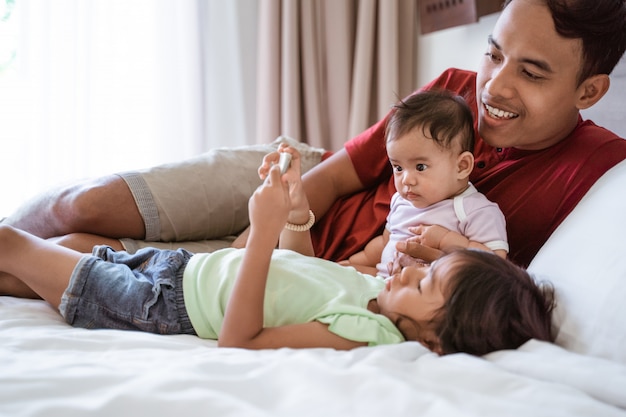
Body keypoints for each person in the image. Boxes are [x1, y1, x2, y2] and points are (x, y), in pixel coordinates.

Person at [3, 0, 626, 271]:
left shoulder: (600, 169)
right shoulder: (455, 86)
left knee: (66, 255)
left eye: (532, 72)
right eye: (495, 54)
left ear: (590, 91)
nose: (495, 86)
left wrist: (262, 262)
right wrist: (258, 234)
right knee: (77, 206)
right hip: (296, 181)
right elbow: (341, 173)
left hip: (308, 267)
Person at [0, 147, 555, 355]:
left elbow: (241, 339)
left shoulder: (366, 330)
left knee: (11, 245)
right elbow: (301, 271)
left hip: (161, 303)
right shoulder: (376, 292)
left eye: (426, 285)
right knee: (55, 252)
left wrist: (260, 232)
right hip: (184, 272)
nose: (410, 274)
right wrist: (292, 212)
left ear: (437, 340)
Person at [340, 90, 508, 277]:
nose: (406, 180)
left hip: (423, 296)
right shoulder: (401, 202)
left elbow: (496, 265)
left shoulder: (475, 210)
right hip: (383, 280)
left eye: (420, 167)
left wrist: (446, 240)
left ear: (462, 166)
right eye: (398, 167)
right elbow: (385, 242)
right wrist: (352, 263)